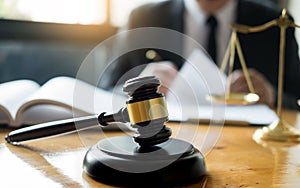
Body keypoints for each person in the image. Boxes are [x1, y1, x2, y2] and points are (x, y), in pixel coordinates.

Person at [101, 0, 300, 110]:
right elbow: (105, 92)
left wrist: (272, 95)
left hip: (251, 153)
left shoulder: (274, 24)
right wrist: (137, 88)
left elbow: (296, 99)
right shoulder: (144, 19)